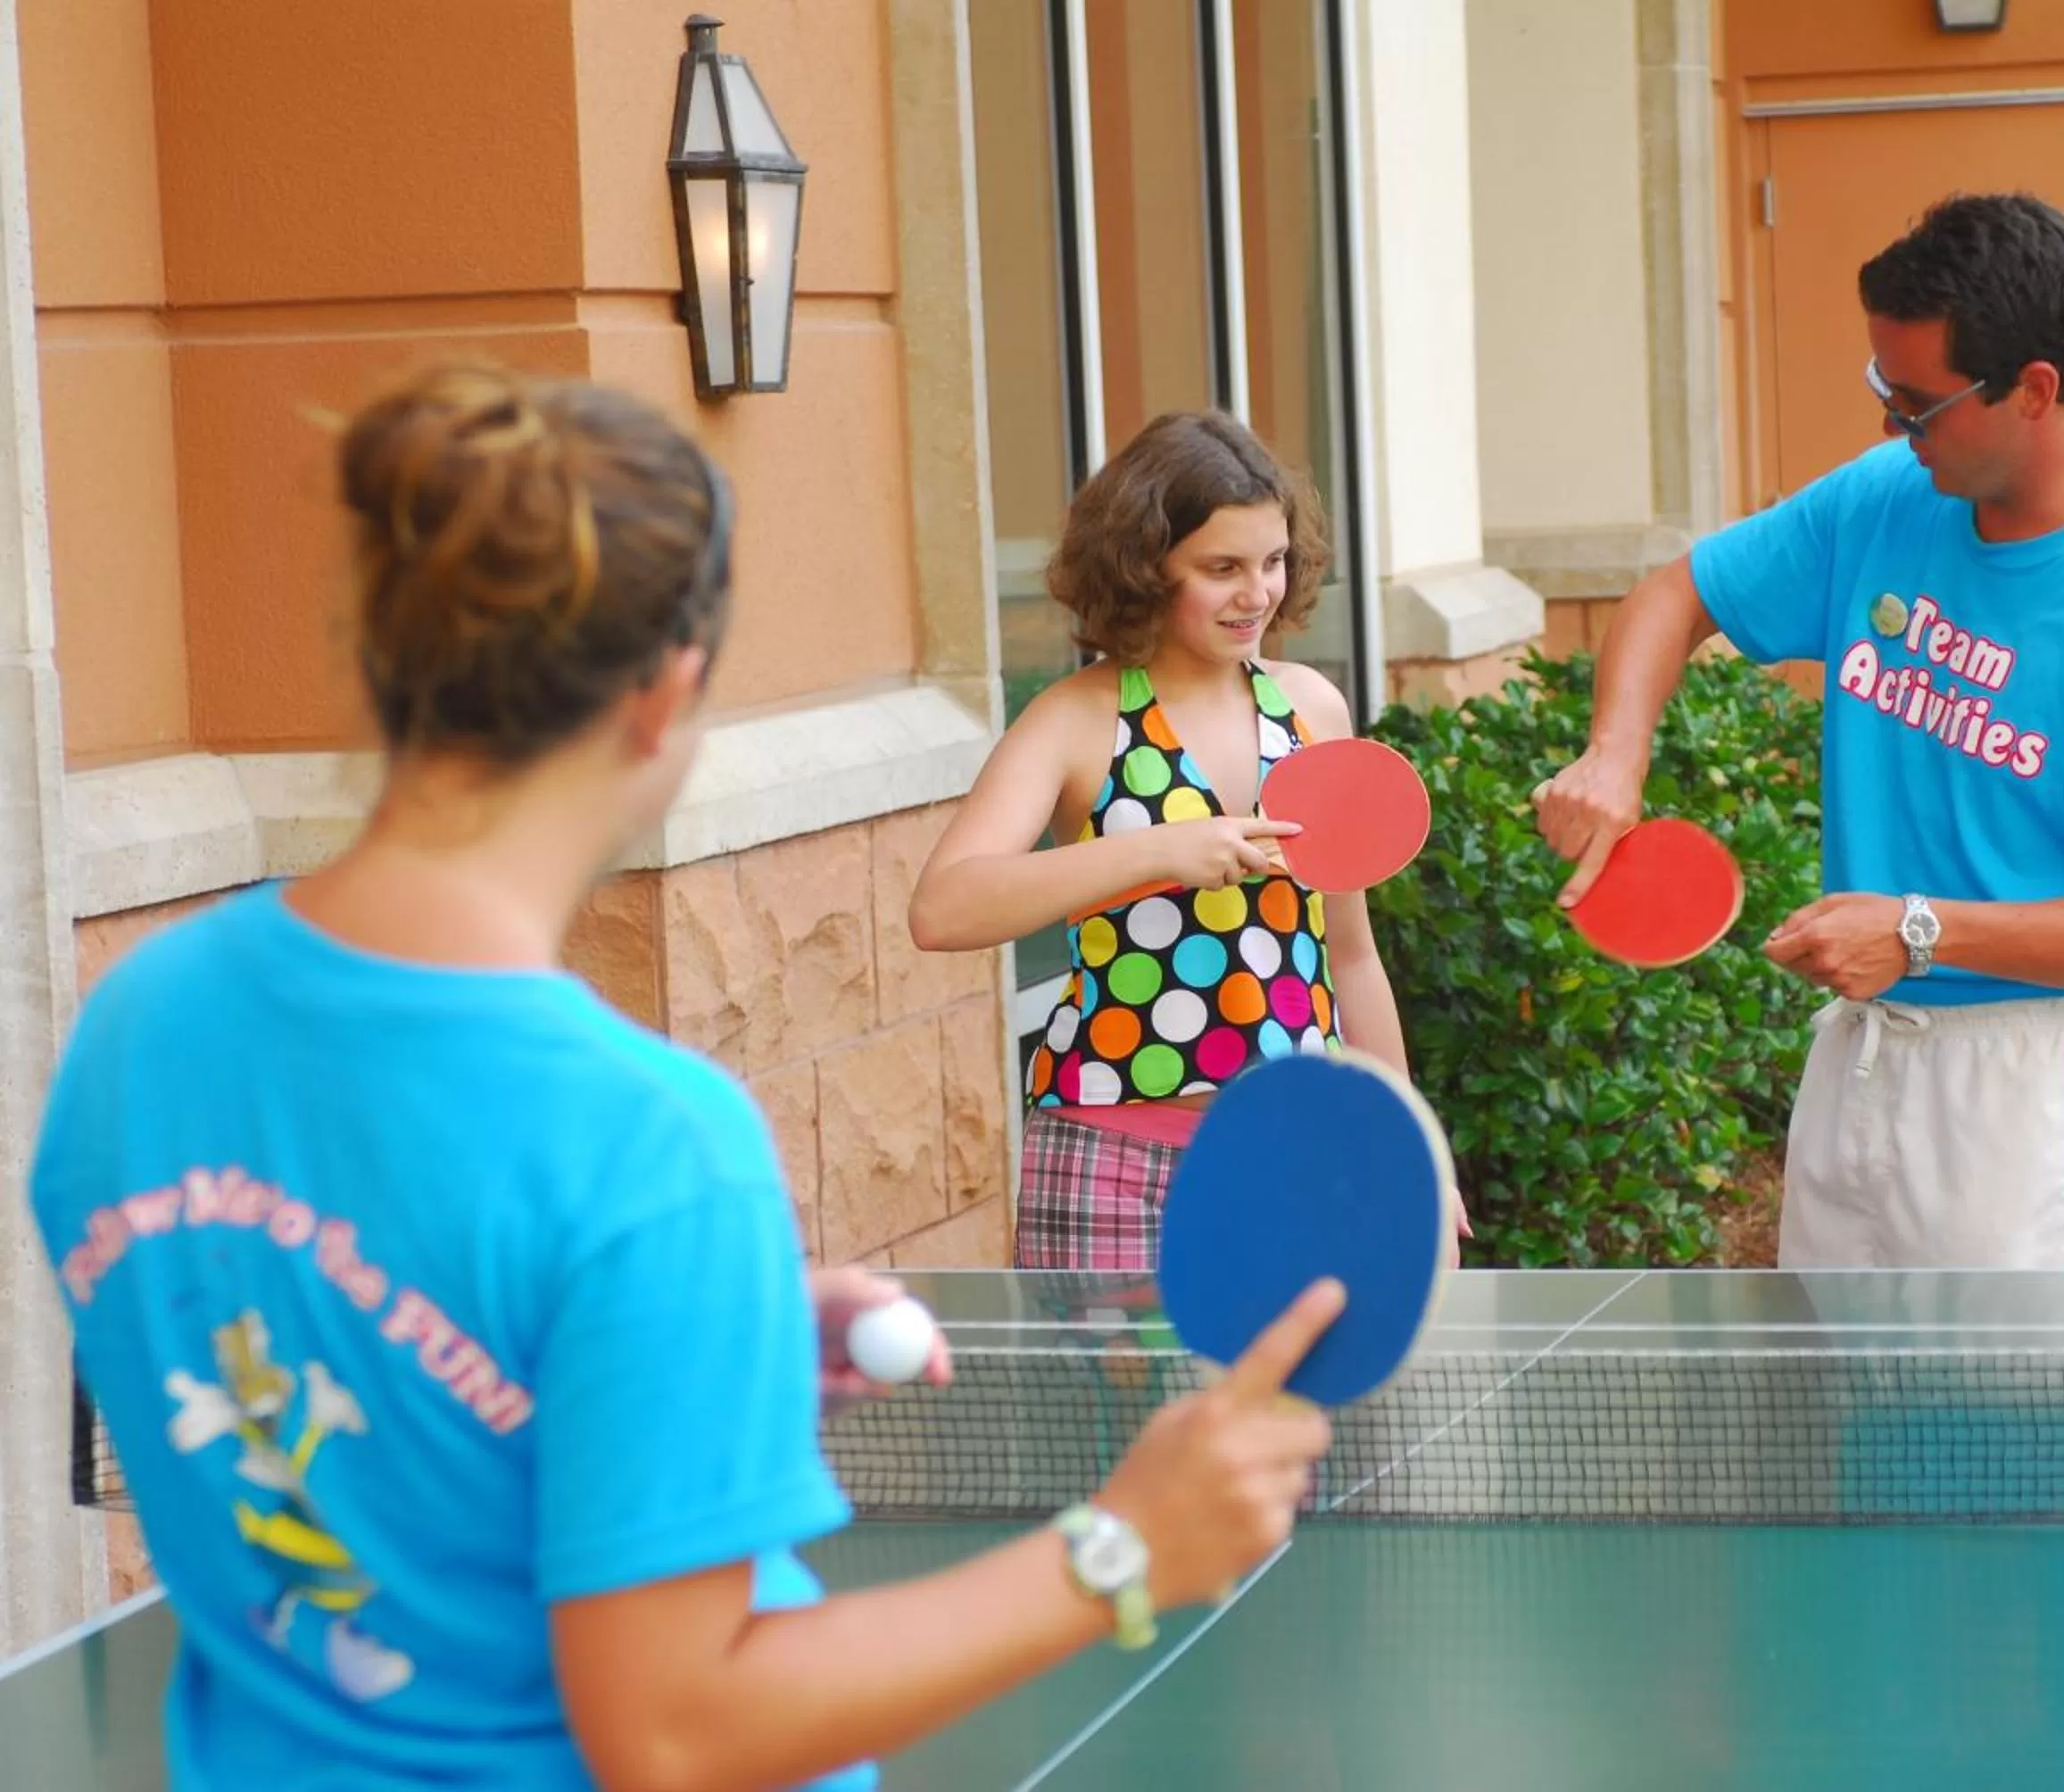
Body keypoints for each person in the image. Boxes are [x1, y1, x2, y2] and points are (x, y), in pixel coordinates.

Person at [26, 363, 1340, 1792]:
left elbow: (376, 1367)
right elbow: (674, 1732)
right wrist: (1122, 1548)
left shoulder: (133, 1030)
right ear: (667, 696)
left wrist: (712, 1328)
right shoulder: (651, 1145)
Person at [1535, 193, 2064, 1272]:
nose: (1891, 427)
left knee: (2047, 1438)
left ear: (2033, 390)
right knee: (1858, 1422)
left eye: (1918, 403)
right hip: (1866, 1061)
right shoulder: (1887, 496)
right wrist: (1615, 755)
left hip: (2044, 1086)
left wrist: (1923, 930)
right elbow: (1676, 594)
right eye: (1885, 391)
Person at [911, 410, 1456, 1266]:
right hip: (1112, 1167)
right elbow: (943, 908)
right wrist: (1161, 852)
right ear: (1143, 569)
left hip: (1301, 1160)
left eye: (1273, 562)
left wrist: (1411, 1149)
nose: (1257, 594)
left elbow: (1349, 957)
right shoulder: (1075, 721)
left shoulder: (1312, 708)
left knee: (1298, 1407)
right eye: (1221, 568)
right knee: (1116, 1414)